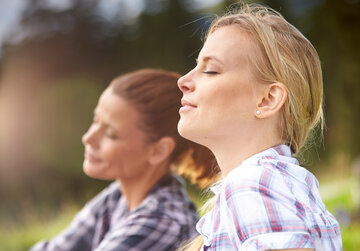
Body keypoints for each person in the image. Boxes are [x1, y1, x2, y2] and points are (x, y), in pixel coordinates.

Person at [177, 4, 342, 251]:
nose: (183, 81)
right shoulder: (282, 185)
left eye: (210, 70)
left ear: (267, 100)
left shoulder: (254, 184)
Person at [30, 69, 218, 251]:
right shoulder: (117, 197)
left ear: (158, 151)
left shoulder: (162, 221)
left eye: (110, 133)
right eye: (96, 121)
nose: (88, 138)